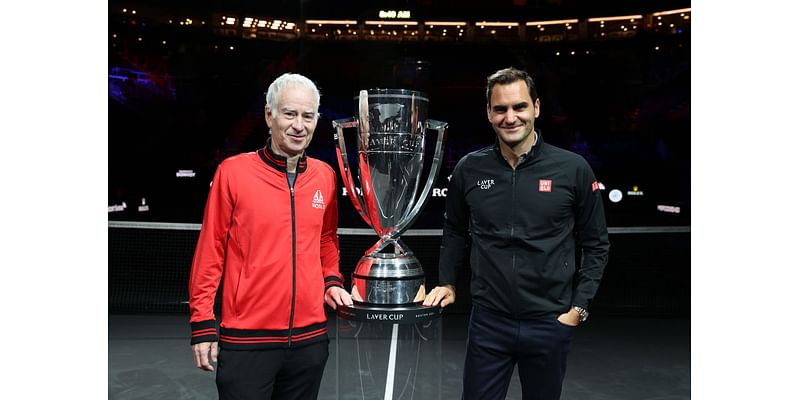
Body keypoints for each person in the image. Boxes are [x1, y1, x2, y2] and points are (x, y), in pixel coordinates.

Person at [423, 67, 610, 400]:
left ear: (536, 108)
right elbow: (454, 230)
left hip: (550, 322)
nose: (511, 117)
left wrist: (578, 307)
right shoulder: (469, 168)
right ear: (489, 114)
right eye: (500, 109)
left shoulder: (573, 169)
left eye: (519, 107)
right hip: (488, 323)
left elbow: (595, 243)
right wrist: (447, 282)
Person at [188, 72, 353, 400]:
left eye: (308, 116)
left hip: (310, 341)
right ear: (269, 115)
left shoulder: (325, 175)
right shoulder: (232, 172)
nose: (299, 125)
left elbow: (326, 239)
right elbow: (211, 250)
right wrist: (202, 322)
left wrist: (332, 280)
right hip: (247, 340)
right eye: (290, 114)